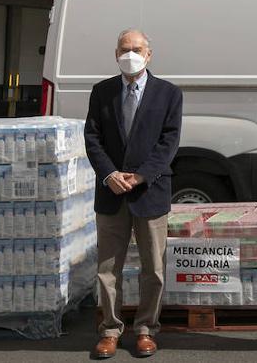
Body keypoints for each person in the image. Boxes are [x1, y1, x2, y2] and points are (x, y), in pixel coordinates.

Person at [84, 29, 183, 359]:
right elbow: (92, 138)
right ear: (116, 54)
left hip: (150, 192)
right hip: (112, 193)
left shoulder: (169, 93)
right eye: (125, 49)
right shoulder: (102, 92)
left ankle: (146, 328)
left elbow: (169, 142)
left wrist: (141, 176)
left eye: (137, 49)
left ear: (149, 54)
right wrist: (110, 174)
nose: (131, 54)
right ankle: (110, 329)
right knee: (107, 269)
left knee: (153, 268)